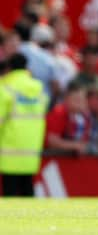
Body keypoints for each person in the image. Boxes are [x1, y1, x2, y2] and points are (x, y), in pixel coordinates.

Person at [0, 53, 48, 196]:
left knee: (10, 191)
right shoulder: (39, 88)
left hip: (10, 148)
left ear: (9, 68)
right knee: (28, 189)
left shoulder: (5, 87)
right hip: (32, 147)